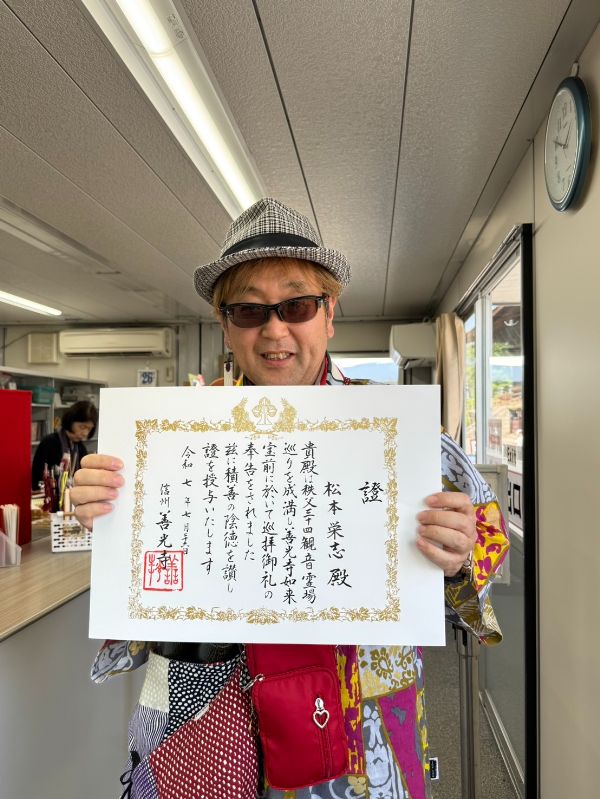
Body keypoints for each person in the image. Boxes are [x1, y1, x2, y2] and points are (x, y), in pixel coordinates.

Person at [71, 198, 509, 799]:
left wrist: (459, 557)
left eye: (297, 305)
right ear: (226, 324)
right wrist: (111, 514)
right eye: (249, 310)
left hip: (360, 716)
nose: (274, 330)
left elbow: (487, 550)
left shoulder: (401, 434)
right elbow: (149, 577)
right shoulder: (170, 437)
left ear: (330, 314)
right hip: (202, 710)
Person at [31, 399, 98, 490]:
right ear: (71, 421)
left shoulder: (81, 448)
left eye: (89, 429)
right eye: (82, 427)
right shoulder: (49, 442)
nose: (85, 433)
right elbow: (37, 476)